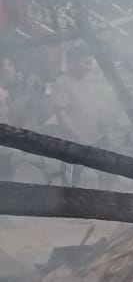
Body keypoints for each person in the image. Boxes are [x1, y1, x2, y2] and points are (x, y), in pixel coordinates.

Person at [49, 45, 128, 186]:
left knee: (103, 175)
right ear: (72, 62)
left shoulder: (87, 83)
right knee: (71, 181)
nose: (89, 67)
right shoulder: (62, 82)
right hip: (72, 144)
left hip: (92, 140)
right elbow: (61, 114)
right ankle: (67, 205)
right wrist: (77, 136)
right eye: (85, 63)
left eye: (90, 63)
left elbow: (94, 109)